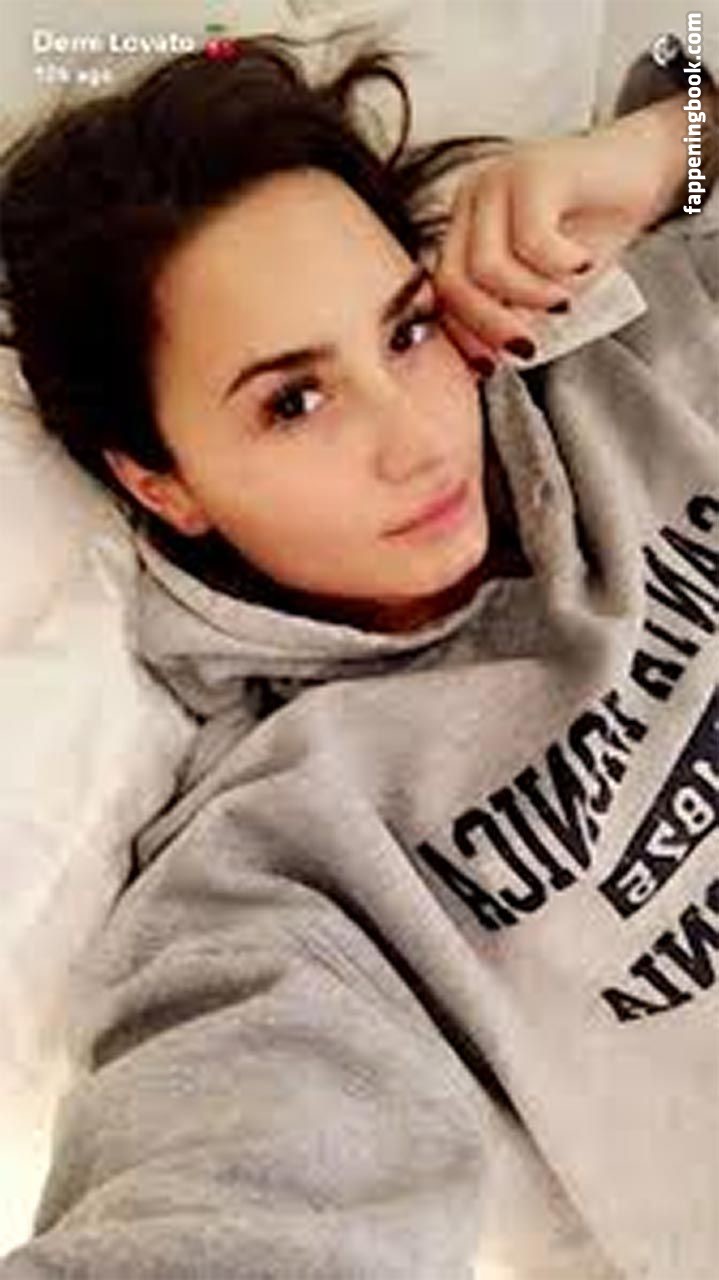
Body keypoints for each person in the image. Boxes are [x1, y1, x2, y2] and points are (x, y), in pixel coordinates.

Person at [0, 23, 717, 1279]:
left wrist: (669, 145)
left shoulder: (639, 348)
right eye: (294, 400)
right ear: (161, 482)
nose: (415, 437)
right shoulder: (284, 858)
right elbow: (244, 1184)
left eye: (404, 332)